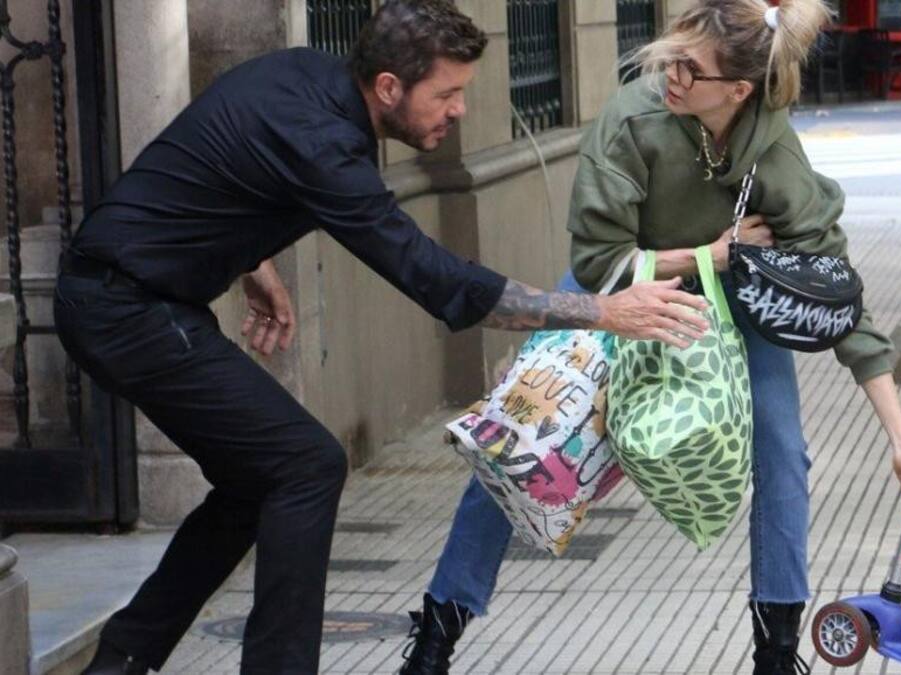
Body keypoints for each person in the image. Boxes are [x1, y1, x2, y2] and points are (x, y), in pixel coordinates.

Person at [62, 2, 711, 674]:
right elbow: (435, 278)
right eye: (447, 94)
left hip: (137, 296)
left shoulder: (306, 80)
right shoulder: (326, 147)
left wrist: (252, 261)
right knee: (306, 463)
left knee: (257, 480)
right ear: (389, 88)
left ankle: (122, 658)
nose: (458, 111)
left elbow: (215, 162)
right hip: (125, 307)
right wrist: (603, 311)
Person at [397, 2, 901, 674]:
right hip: (621, 289)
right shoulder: (635, 117)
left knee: (783, 454)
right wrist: (704, 255)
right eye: (672, 55)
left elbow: (838, 297)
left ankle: (776, 653)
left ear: (738, 91)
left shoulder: (776, 158)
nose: (671, 74)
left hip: (733, 303)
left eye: (692, 68)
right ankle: (435, 636)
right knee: (519, 438)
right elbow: (598, 261)